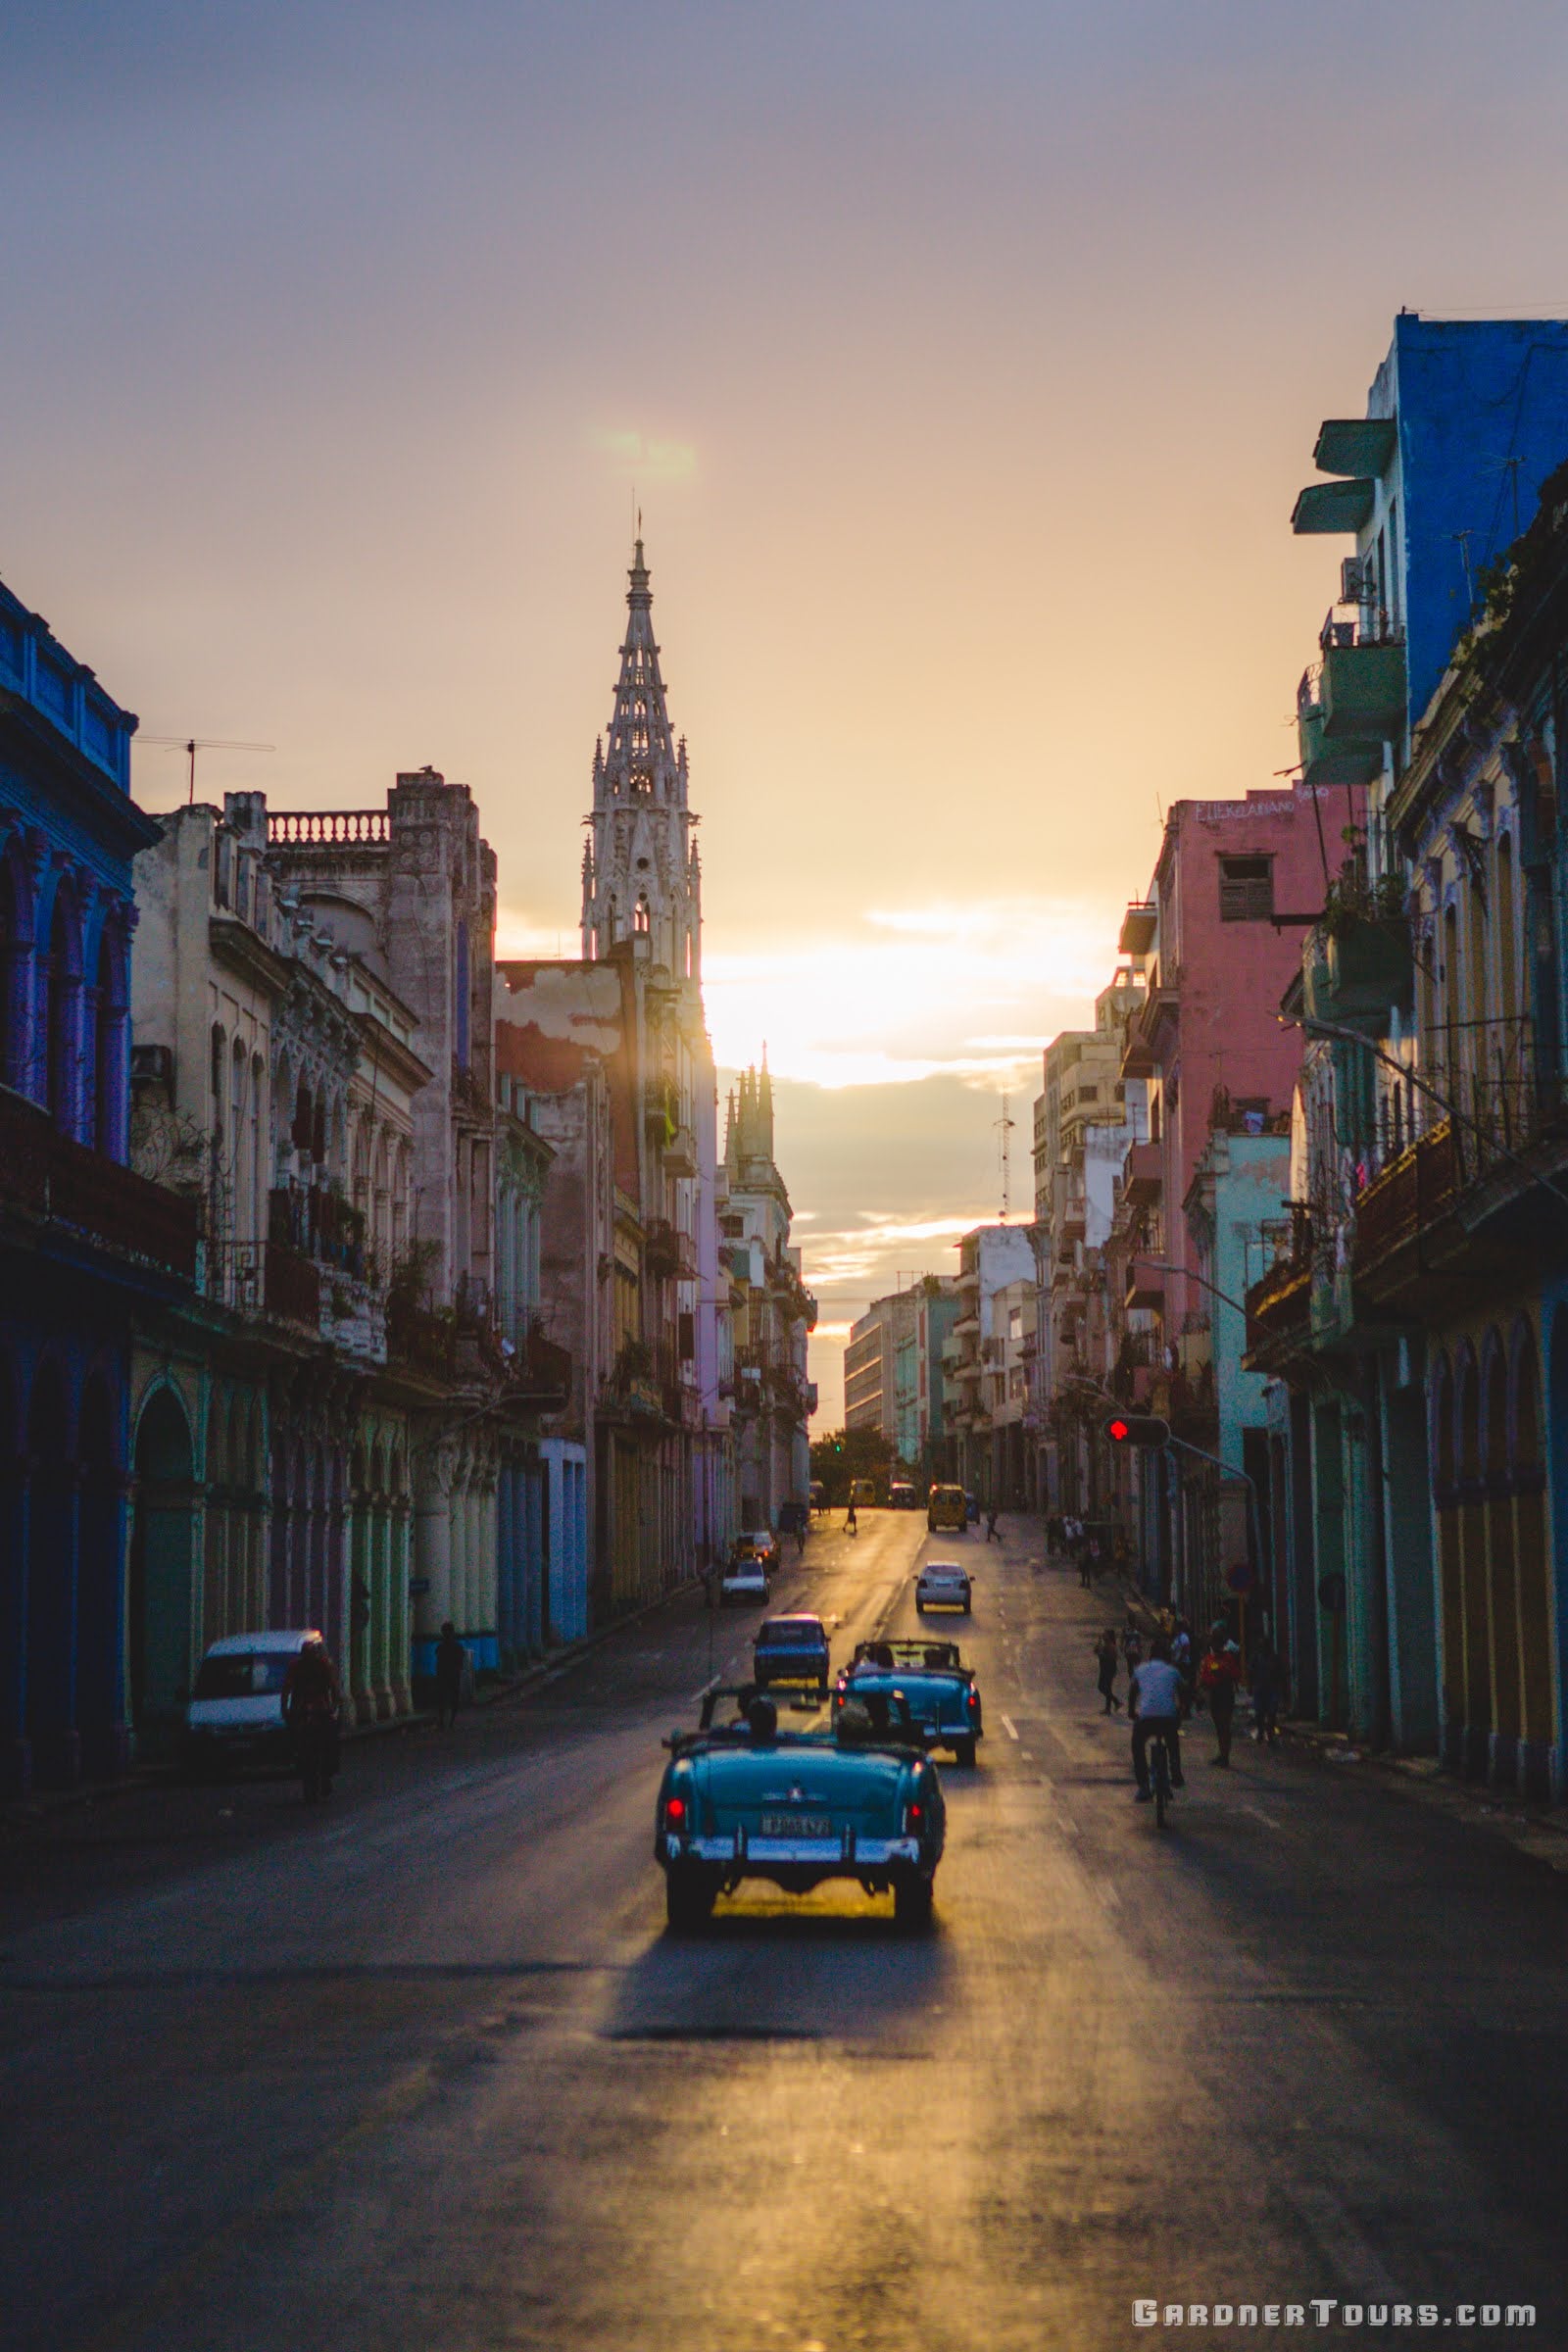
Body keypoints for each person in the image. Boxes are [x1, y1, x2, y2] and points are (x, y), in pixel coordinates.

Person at [281, 1636, 342, 1799]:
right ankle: (298, 1762)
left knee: (329, 1739)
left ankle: (327, 1771)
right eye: (306, 1655)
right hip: (302, 1709)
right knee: (297, 1740)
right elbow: (287, 1689)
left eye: (311, 1655)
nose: (309, 1659)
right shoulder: (296, 1667)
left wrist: (333, 1707)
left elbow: (334, 1689)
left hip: (320, 1708)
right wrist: (285, 1709)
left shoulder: (324, 1665)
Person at [1128, 1633, 1186, 1799]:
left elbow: (1133, 1692)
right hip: (1168, 1718)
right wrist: (1181, 1711)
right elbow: (1183, 1692)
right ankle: (1175, 1771)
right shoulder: (1173, 1671)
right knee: (1172, 1740)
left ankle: (1144, 1786)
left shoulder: (1140, 1669)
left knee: (1137, 1744)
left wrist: (1132, 1712)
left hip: (1146, 1718)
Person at [1198, 1623, 1242, 1765]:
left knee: (1224, 1726)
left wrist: (1223, 1672)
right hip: (1215, 1695)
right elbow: (1204, 1678)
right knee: (1219, 1726)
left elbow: (1235, 1675)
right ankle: (1222, 1753)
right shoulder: (1209, 1660)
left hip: (1225, 1694)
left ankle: (1225, 1755)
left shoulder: (1228, 1659)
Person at [1250, 1634, 1284, 1746]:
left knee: (1271, 1713)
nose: (1264, 1648)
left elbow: (1280, 1674)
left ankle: (1270, 1735)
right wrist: (1250, 1686)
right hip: (1259, 1688)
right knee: (1259, 1713)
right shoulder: (1256, 1658)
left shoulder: (1275, 1658)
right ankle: (1261, 1732)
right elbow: (1251, 1672)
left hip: (1272, 1689)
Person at [434, 1620, 467, 1731]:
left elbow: (438, 1661)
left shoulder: (441, 1647)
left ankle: (443, 1721)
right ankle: (450, 1721)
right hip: (453, 1675)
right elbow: (461, 1662)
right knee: (452, 1698)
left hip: (444, 1675)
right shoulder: (457, 1647)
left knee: (443, 1698)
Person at [1094, 1629, 1122, 1715]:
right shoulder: (1104, 1645)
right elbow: (1095, 1651)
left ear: (1109, 1636)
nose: (1103, 1635)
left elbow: (1112, 1658)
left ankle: (1112, 1705)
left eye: (1105, 1634)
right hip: (1104, 1668)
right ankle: (1113, 1705)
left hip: (1109, 1668)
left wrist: (1101, 1654)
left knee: (1103, 1687)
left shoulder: (1111, 1646)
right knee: (1105, 1687)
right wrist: (1098, 1644)